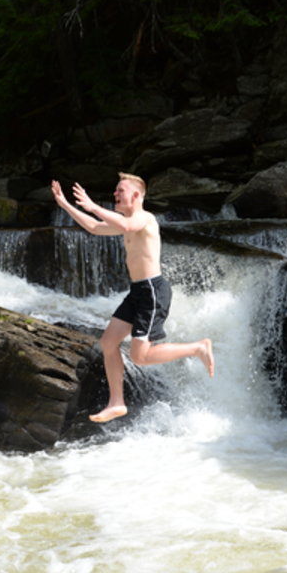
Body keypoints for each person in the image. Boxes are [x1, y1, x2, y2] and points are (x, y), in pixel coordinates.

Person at [51, 173, 214, 423]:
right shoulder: (126, 222)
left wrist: (93, 205)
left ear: (136, 195)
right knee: (108, 343)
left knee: (140, 357)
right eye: (116, 190)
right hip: (137, 291)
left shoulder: (145, 219)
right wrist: (65, 205)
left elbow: (127, 226)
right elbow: (94, 227)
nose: (115, 194)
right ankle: (117, 402)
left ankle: (198, 348)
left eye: (121, 191)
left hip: (152, 292)